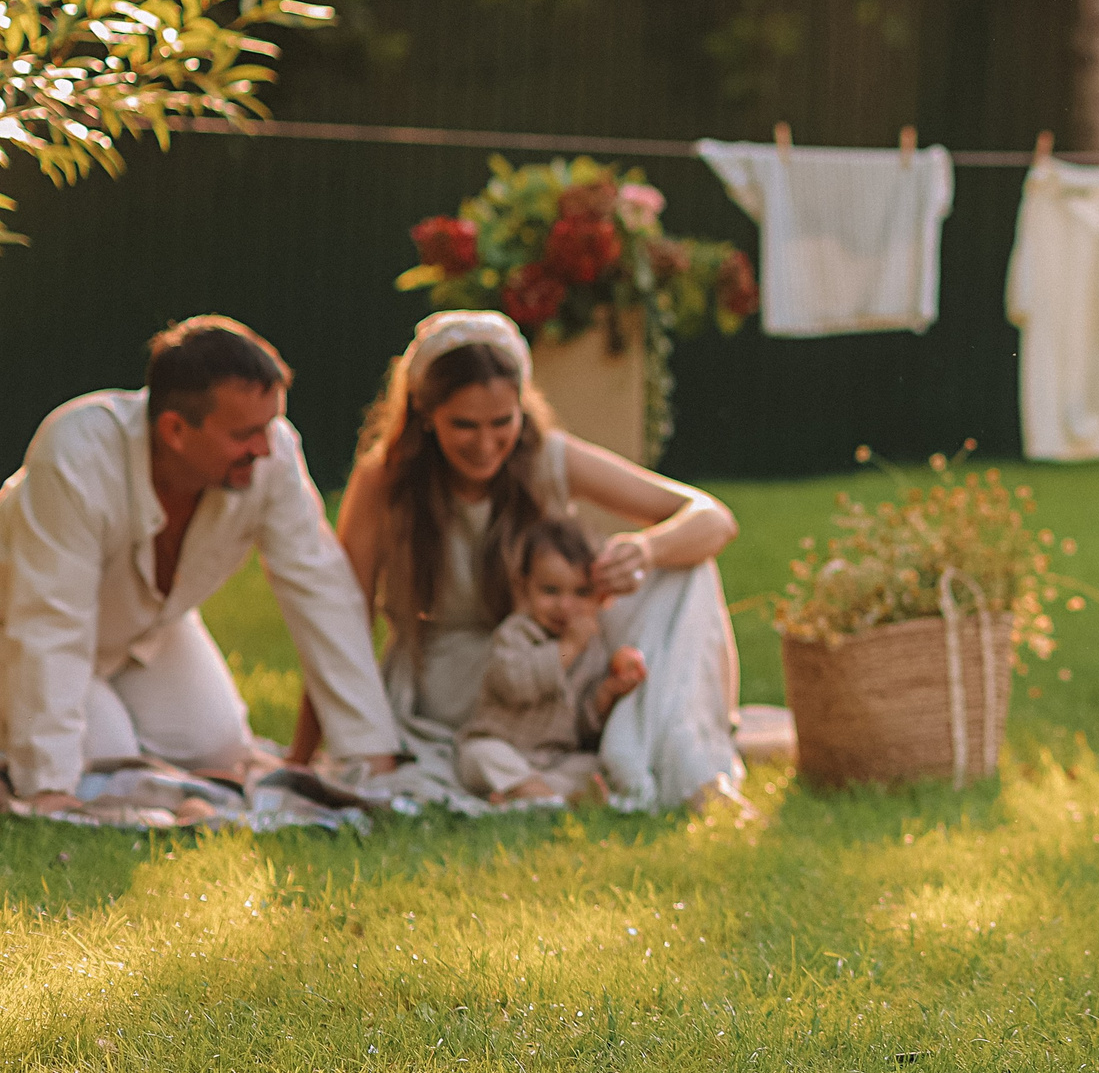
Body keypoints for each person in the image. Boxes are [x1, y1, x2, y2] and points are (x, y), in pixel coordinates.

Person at [314, 310, 746, 812]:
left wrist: (647, 551)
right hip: (461, 688)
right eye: (464, 425)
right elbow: (343, 623)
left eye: (503, 422)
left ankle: (684, 763)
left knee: (686, 566)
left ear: (522, 407)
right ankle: (607, 765)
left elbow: (713, 518)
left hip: (556, 654)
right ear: (425, 414)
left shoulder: (547, 456)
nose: (485, 444)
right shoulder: (383, 481)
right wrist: (316, 748)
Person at [0, 317, 402, 812]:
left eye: (270, 425)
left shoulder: (272, 455)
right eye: (245, 433)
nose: (264, 447)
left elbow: (322, 592)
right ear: (175, 430)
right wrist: (48, 786)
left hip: (147, 633)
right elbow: (49, 624)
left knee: (220, 748)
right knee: (102, 761)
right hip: (17, 632)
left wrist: (370, 753)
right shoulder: (77, 454)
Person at [456, 516, 647, 805]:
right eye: (550, 591)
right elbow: (515, 684)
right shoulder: (517, 633)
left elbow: (583, 723)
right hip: (504, 745)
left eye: (581, 593)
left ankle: (530, 795)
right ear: (523, 588)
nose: (565, 606)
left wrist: (605, 694)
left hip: (555, 758)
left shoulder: (593, 648)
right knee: (479, 756)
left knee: (591, 766)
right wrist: (567, 648)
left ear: (599, 596)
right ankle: (540, 796)